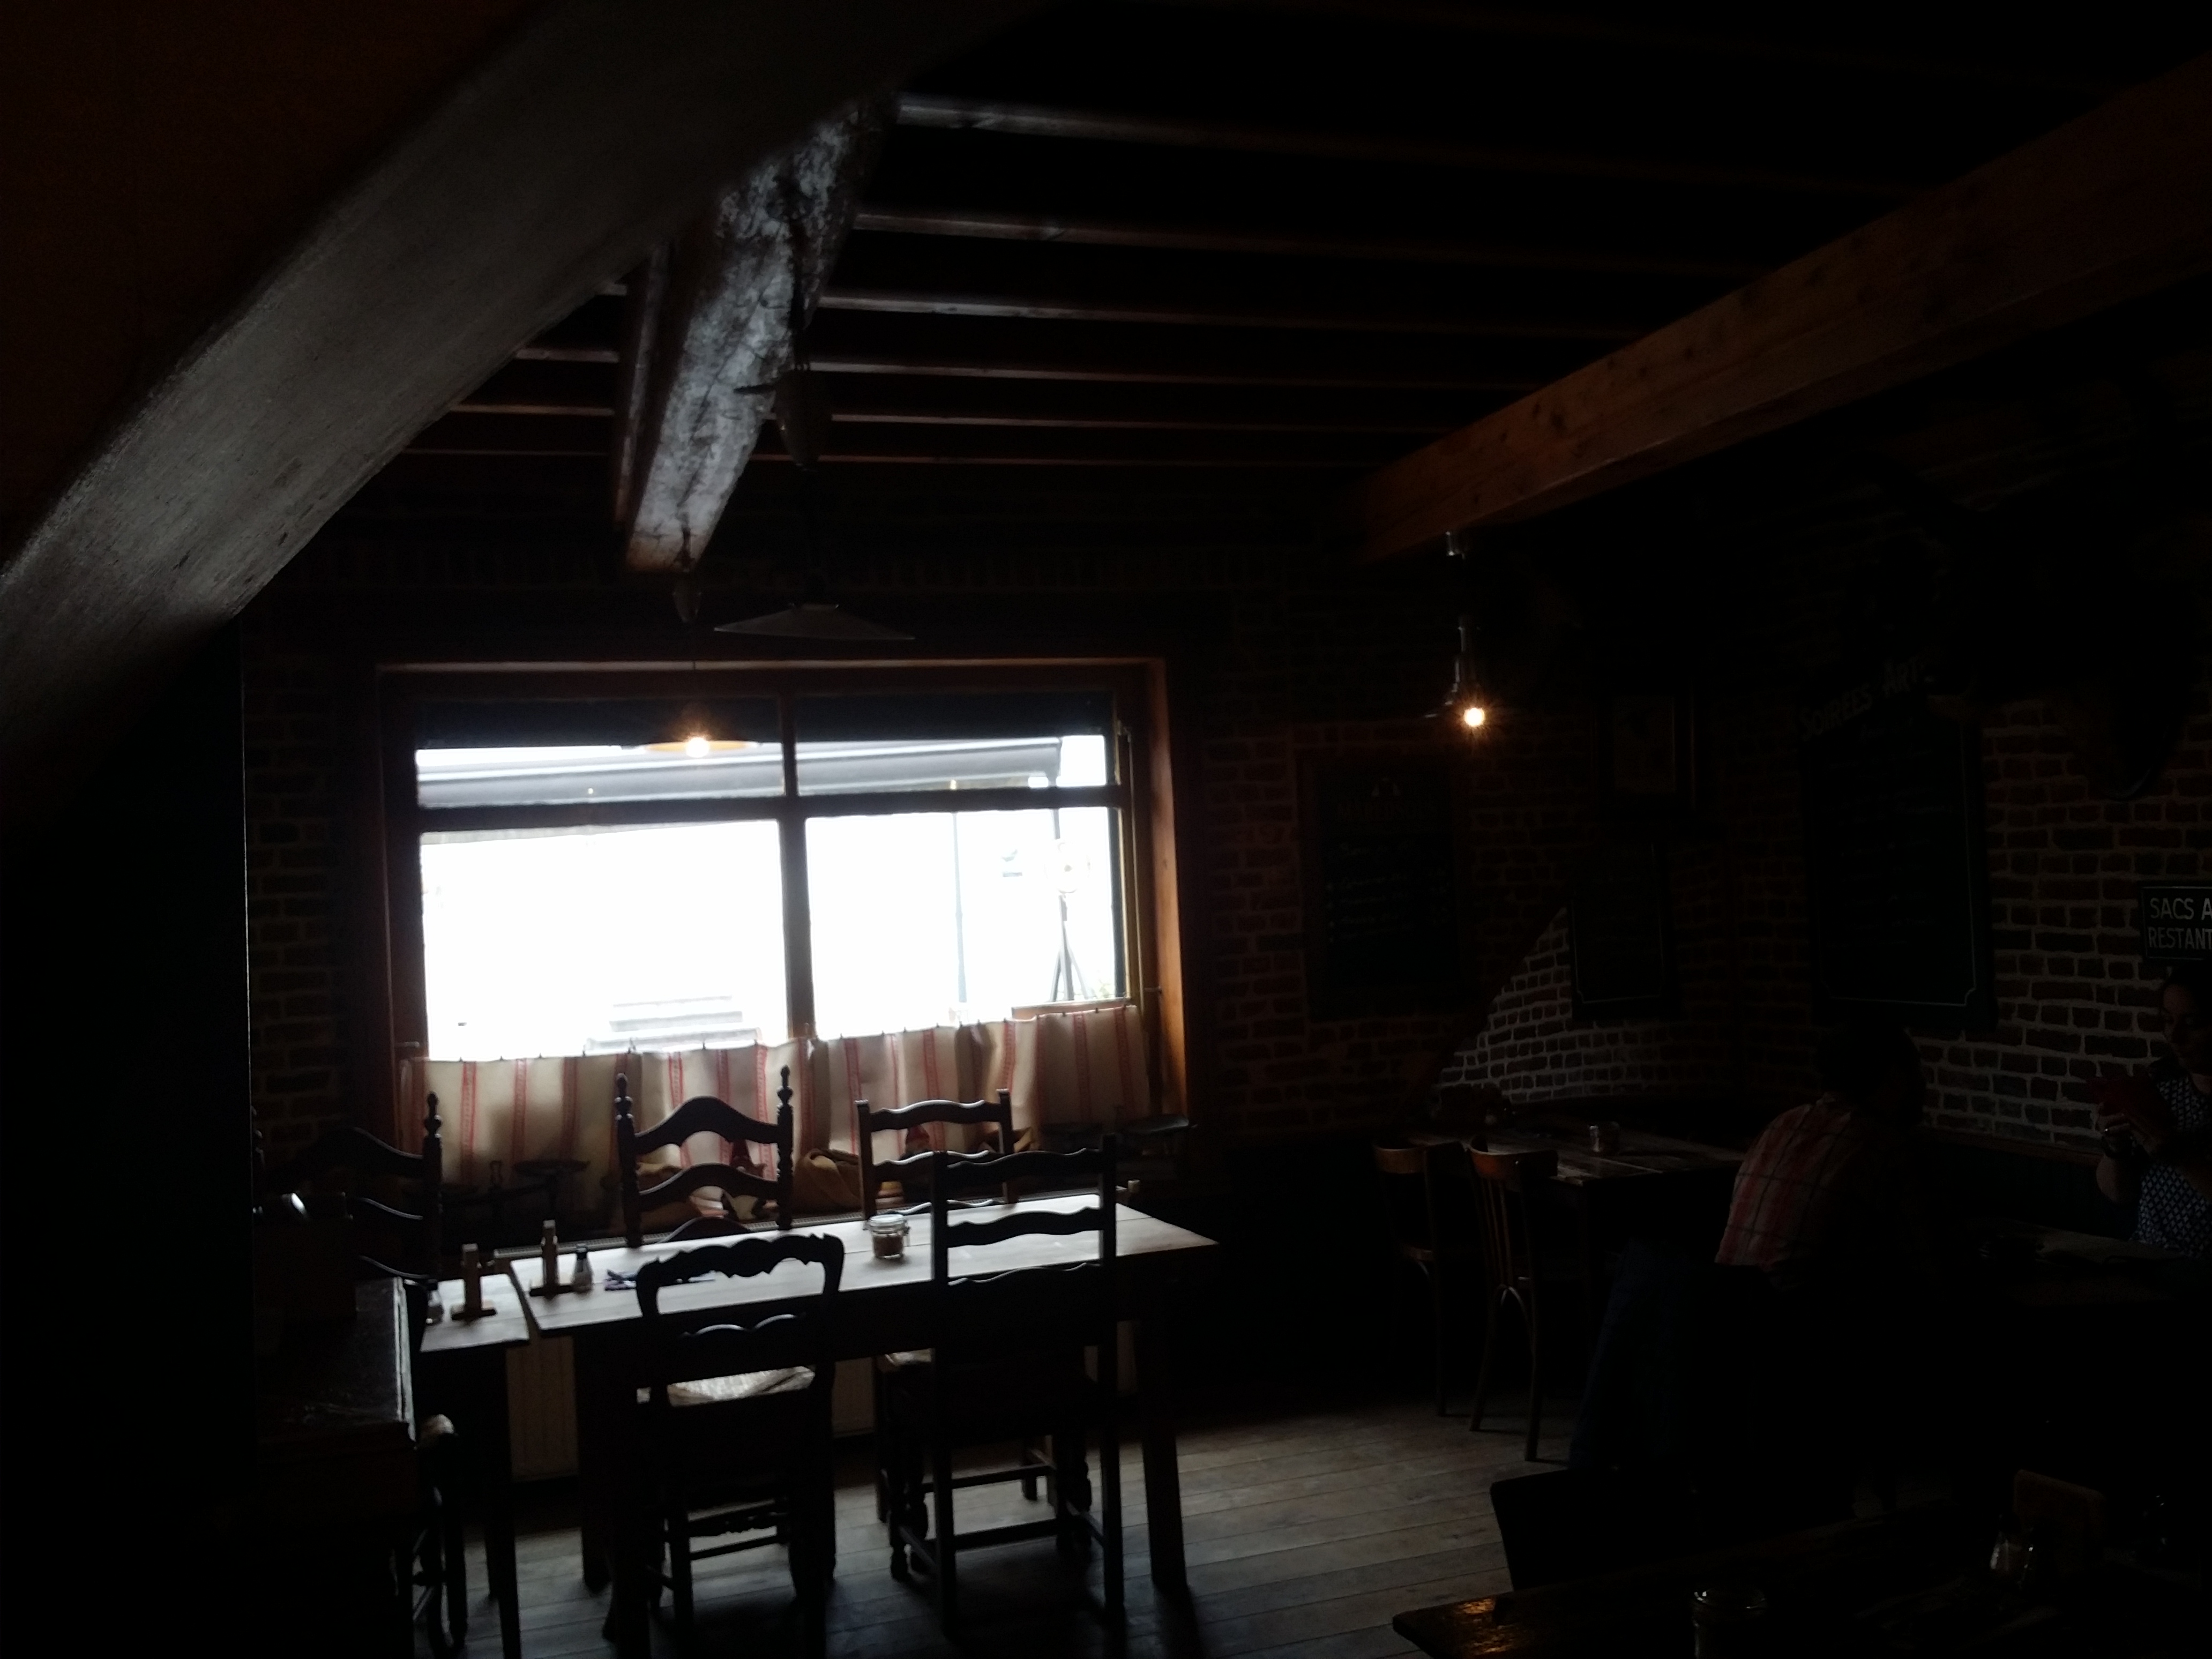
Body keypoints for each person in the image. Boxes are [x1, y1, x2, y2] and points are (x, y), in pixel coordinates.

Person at [1716, 1018, 1930, 1295]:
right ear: (1894, 1077)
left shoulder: (1783, 1124)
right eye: (1916, 1070)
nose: (1923, 1083)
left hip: (1721, 1304)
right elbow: (1937, 1269)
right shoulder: (1886, 1144)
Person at [2094, 964, 2212, 1259]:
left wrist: (2182, 1158)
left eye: (2193, 1023)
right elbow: (2119, 1195)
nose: (2174, 1035)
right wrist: (2115, 1146)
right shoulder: (2160, 1084)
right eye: (2167, 1021)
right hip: (2147, 1256)